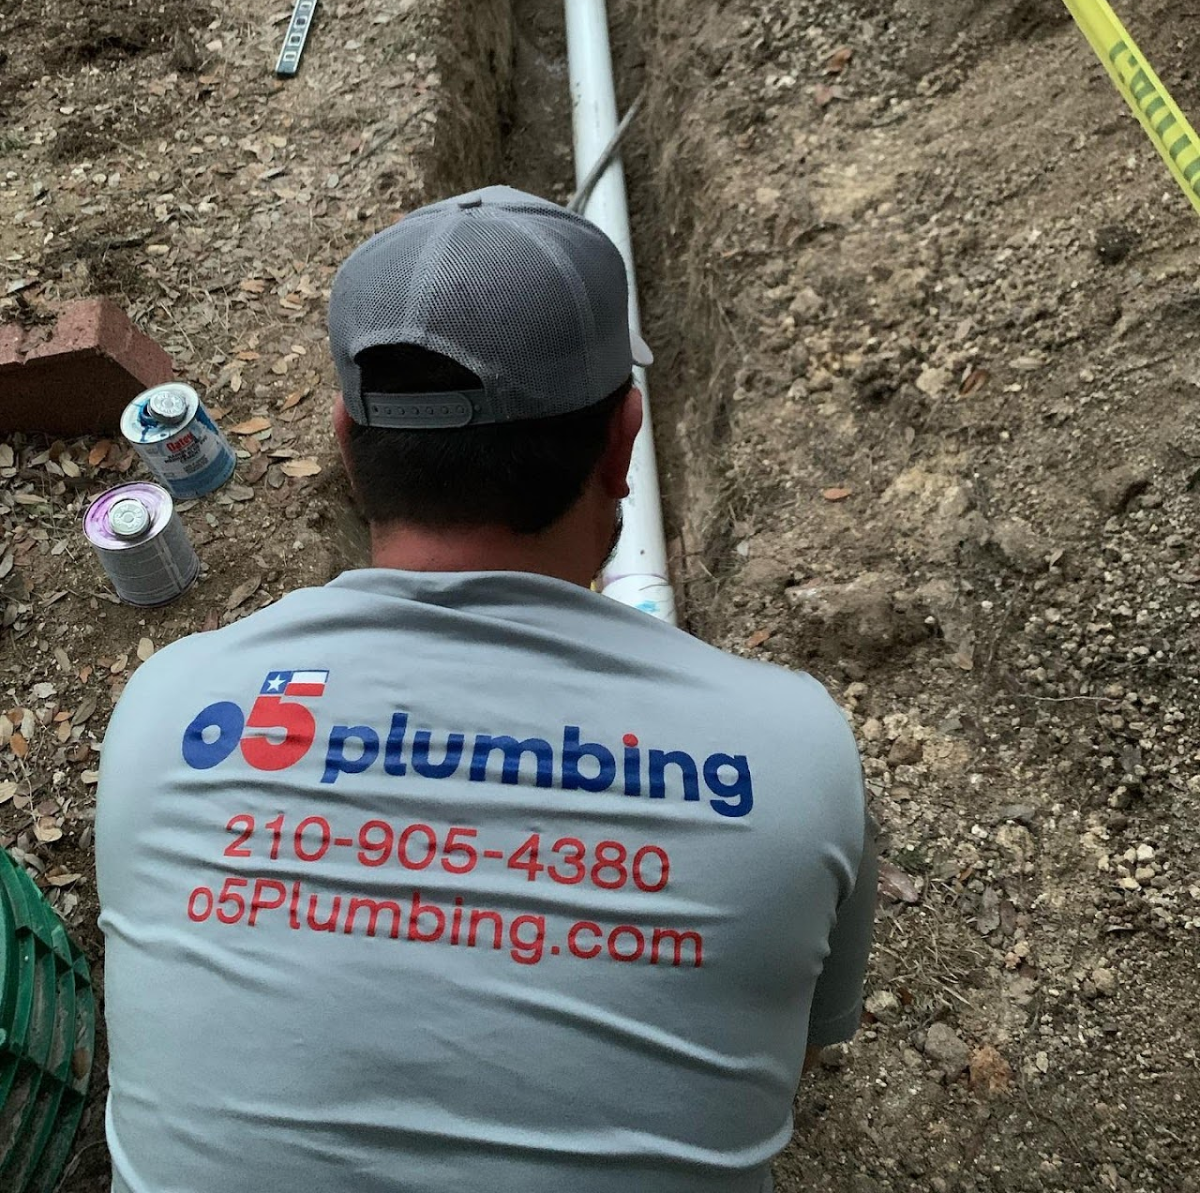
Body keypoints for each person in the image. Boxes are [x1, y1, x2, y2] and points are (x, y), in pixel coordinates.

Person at [96, 186, 874, 1193]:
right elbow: (793, 1056)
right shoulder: (792, 753)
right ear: (622, 440)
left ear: (346, 444)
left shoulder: (170, 709)